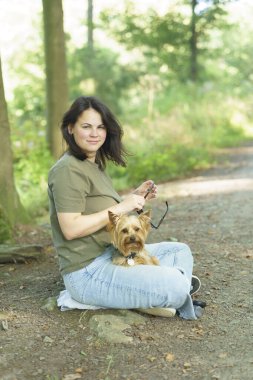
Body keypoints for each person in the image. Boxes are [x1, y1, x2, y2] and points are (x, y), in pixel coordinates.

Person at [48, 96, 206, 319]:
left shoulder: (93, 164)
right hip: (88, 273)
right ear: (70, 128)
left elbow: (106, 213)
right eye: (86, 126)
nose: (95, 133)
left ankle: (148, 290)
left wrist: (135, 197)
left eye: (100, 127)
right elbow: (70, 229)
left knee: (179, 250)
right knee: (176, 285)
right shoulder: (66, 170)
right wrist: (123, 206)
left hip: (115, 254)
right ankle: (168, 289)